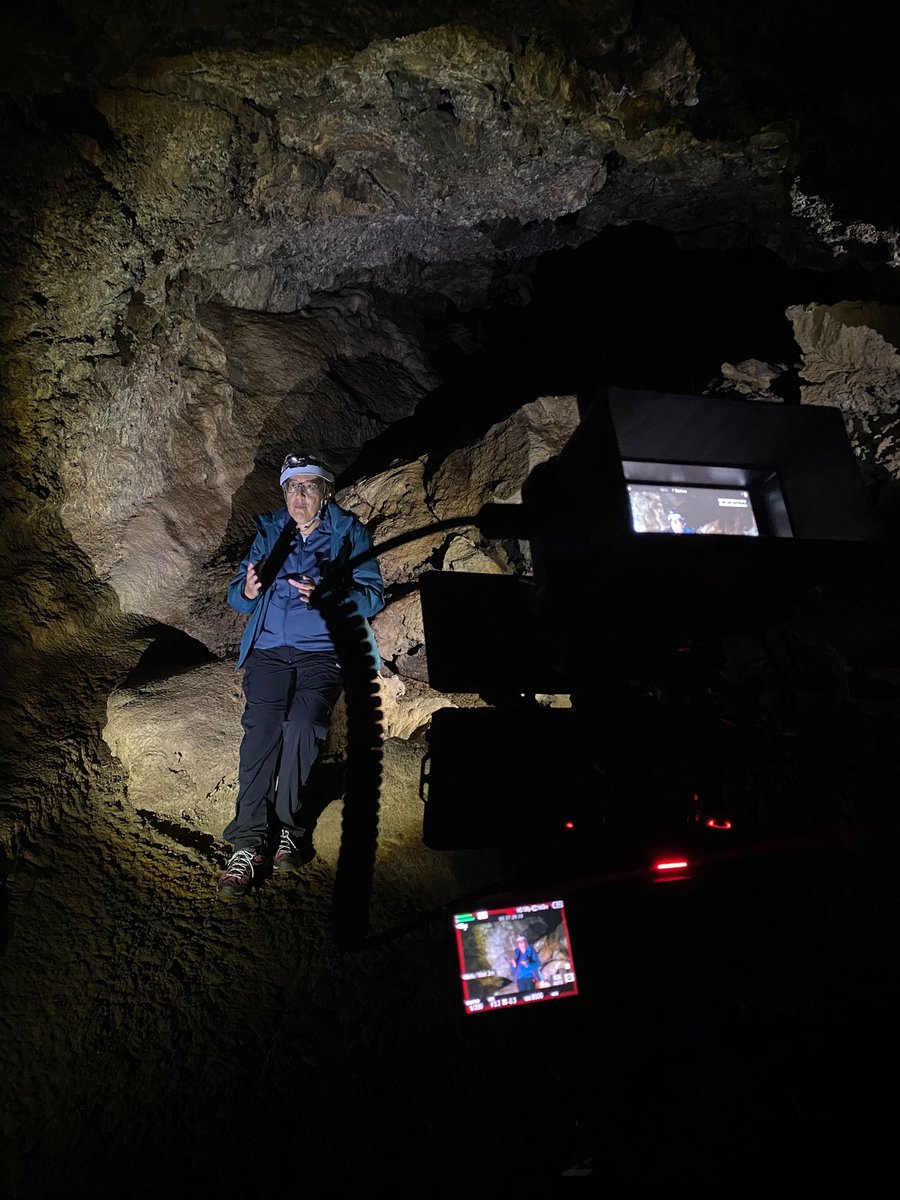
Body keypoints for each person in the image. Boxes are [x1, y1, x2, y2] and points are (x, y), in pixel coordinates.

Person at [217, 452, 385, 900]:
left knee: (304, 725)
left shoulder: (349, 533)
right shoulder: (271, 532)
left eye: (309, 486)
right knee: (263, 727)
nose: (299, 495)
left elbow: (372, 596)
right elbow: (239, 597)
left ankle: (287, 828)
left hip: (323, 652)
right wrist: (247, 590)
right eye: (292, 487)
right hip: (269, 651)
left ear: (325, 492)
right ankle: (248, 842)